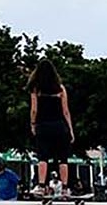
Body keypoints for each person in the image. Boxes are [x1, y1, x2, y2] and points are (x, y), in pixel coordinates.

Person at [28, 59, 74, 190]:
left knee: (43, 157)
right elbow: (66, 111)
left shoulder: (36, 89)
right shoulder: (60, 88)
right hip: (60, 126)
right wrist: (70, 129)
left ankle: (42, 185)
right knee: (63, 159)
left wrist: (33, 124)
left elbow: (34, 110)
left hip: (43, 126)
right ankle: (65, 188)